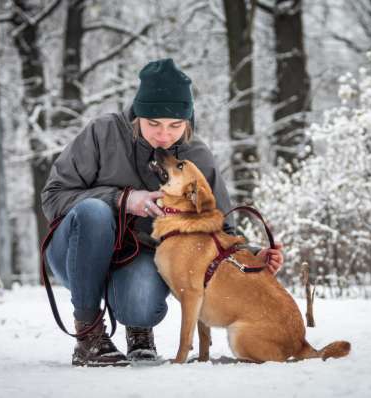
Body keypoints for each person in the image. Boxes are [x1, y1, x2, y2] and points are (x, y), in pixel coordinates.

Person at [41, 58, 284, 366]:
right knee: (93, 212)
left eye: (175, 126)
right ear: (137, 115)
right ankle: (88, 335)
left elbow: (220, 230)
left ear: (188, 121)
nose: (164, 135)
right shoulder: (103, 133)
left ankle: (139, 330)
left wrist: (252, 256)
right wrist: (121, 199)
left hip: (140, 257)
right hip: (76, 250)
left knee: (141, 303)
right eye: (153, 123)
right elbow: (53, 197)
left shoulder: (196, 157)